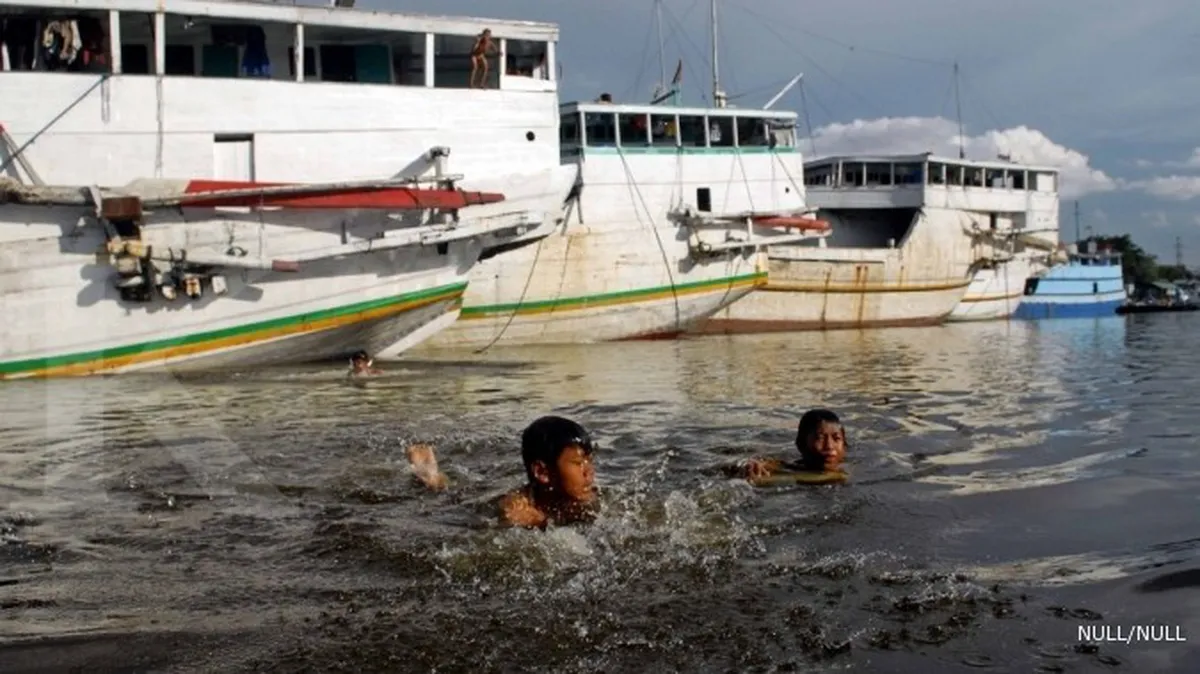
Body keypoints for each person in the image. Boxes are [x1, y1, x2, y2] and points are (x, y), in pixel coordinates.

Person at [406, 415, 598, 529]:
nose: (589, 472)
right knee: (450, 495)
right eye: (578, 462)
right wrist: (540, 521)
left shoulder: (585, 499)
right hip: (467, 507)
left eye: (590, 460)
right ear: (542, 472)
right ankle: (431, 477)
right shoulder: (515, 509)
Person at [729, 409, 848, 485]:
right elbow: (769, 464)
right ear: (800, 445)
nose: (829, 446)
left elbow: (834, 476)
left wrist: (768, 480)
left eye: (836, 439)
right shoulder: (793, 466)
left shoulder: (850, 469)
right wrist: (750, 466)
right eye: (820, 438)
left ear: (844, 446)